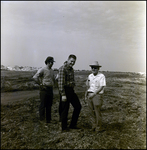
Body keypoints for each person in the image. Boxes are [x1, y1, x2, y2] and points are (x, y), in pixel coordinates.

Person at [58, 54, 82, 132]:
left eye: (74, 62)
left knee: (78, 106)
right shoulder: (62, 69)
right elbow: (60, 83)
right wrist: (63, 95)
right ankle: (63, 127)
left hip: (71, 91)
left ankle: (72, 125)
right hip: (65, 91)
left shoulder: (71, 69)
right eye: (71, 61)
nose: (72, 63)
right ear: (68, 60)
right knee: (65, 109)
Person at [33, 56, 55, 123]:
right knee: (43, 104)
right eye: (51, 62)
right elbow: (35, 77)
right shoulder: (42, 69)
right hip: (44, 89)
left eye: (53, 62)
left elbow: (53, 79)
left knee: (49, 105)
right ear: (48, 62)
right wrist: (41, 84)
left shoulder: (52, 70)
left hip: (50, 89)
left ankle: (48, 120)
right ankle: (42, 119)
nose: (52, 64)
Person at [85, 61, 106, 132]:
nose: (93, 69)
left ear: (98, 68)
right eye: (92, 67)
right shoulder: (90, 76)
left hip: (97, 95)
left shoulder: (101, 76)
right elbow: (88, 86)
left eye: (95, 68)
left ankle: (98, 127)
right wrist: (86, 94)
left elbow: (101, 87)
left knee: (97, 111)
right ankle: (93, 125)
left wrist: (94, 94)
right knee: (91, 111)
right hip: (89, 94)